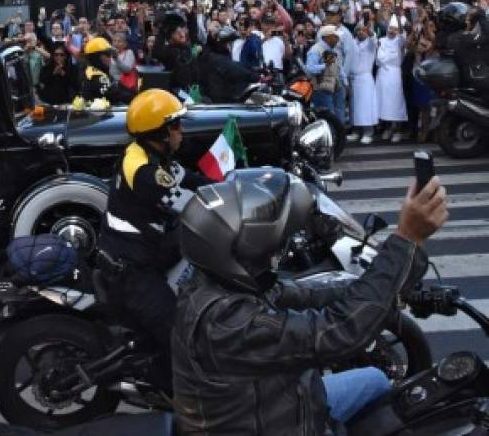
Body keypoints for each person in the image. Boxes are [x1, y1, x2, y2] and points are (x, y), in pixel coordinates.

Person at [173, 168, 448, 434]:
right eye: (272, 249)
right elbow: (339, 332)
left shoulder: (219, 282)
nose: (278, 254)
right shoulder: (226, 321)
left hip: (282, 401)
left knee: (375, 380)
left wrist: (387, 285)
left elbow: (308, 294)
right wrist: (406, 239)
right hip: (266, 424)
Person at [97, 89, 210, 390]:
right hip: (132, 267)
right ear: (158, 132)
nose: (180, 131)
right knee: (179, 334)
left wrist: (236, 182)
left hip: (144, 251)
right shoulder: (145, 171)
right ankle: (183, 398)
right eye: (175, 126)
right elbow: (188, 203)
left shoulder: (149, 154)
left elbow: (190, 180)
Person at [197, 26, 259, 104]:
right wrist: (257, 76)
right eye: (231, 43)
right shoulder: (218, 59)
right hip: (221, 102)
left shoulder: (209, 55)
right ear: (226, 44)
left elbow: (237, 66)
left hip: (214, 99)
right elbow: (237, 70)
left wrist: (255, 69)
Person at [306, 25, 347, 124]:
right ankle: (331, 138)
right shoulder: (315, 50)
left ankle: (338, 138)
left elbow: (339, 68)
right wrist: (325, 66)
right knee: (328, 118)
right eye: (335, 36)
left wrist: (345, 83)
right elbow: (309, 69)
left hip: (336, 87)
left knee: (338, 115)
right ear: (327, 37)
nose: (338, 39)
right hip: (321, 89)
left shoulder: (333, 50)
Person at [376, 22, 408, 142]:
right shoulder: (381, 40)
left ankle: (398, 129)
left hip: (394, 74)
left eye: (395, 29)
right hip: (382, 74)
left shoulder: (400, 40)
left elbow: (405, 42)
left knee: (396, 101)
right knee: (384, 102)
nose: (392, 31)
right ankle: (388, 128)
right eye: (390, 28)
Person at [347, 23, 379, 144]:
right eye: (358, 30)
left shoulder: (370, 43)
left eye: (363, 30)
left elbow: (374, 40)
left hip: (365, 78)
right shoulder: (352, 42)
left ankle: (368, 132)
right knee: (354, 107)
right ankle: (355, 131)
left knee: (366, 107)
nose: (360, 32)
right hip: (353, 78)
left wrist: (370, 31)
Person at [81, 37, 136, 105]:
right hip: (94, 115)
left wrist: (137, 94)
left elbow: (120, 87)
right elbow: (116, 94)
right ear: (96, 57)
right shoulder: (95, 76)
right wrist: (136, 98)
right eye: (107, 54)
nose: (110, 58)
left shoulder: (101, 72)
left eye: (111, 55)